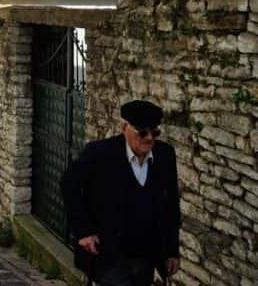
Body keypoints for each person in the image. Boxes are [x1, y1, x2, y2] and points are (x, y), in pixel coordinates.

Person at [62, 100, 181, 286]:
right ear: (124, 127)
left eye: (154, 133)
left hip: (147, 254)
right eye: (142, 132)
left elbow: (172, 204)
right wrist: (84, 231)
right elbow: (69, 185)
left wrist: (172, 251)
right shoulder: (99, 153)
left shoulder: (165, 155)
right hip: (110, 253)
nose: (149, 138)